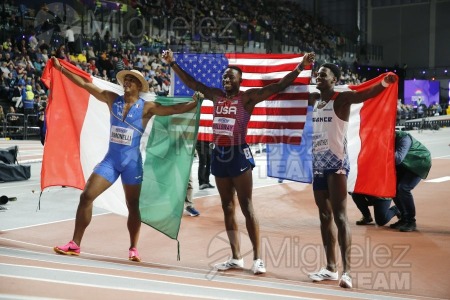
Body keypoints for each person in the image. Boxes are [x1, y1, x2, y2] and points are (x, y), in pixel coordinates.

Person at [163, 49, 316, 275]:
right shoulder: (215, 95)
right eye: (224, 76)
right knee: (227, 207)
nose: (226, 79)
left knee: (246, 206)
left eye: (230, 77)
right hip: (220, 154)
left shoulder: (247, 97)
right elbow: (193, 83)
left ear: (239, 80)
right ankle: (235, 257)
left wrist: (300, 67)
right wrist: (173, 63)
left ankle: (258, 258)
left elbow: (277, 87)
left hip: (239, 154)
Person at [51, 57, 198, 262]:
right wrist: (62, 70)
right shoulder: (112, 99)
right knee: (86, 196)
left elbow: (173, 110)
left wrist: (194, 103)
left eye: (131, 79)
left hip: (132, 164)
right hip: (111, 161)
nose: (126, 82)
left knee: (133, 206)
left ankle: (133, 248)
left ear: (139, 85)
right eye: (125, 79)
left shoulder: (147, 107)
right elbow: (85, 84)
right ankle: (75, 244)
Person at [307, 63, 397, 288]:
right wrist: (298, 68)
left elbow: (366, 94)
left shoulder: (342, 98)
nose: (318, 77)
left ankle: (346, 271)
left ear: (334, 80)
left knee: (339, 216)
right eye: (317, 74)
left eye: (323, 75)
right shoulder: (314, 100)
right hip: (318, 163)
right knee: (324, 216)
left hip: (336, 163)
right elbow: (289, 92)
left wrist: (384, 82)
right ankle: (330, 268)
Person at [389, 130, 431, 232]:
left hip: (419, 162)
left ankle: (411, 221)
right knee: (392, 188)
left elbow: (398, 158)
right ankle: (404, 218)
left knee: (403, 188)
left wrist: (384, 148)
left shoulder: (404, 137)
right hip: (405, 165)